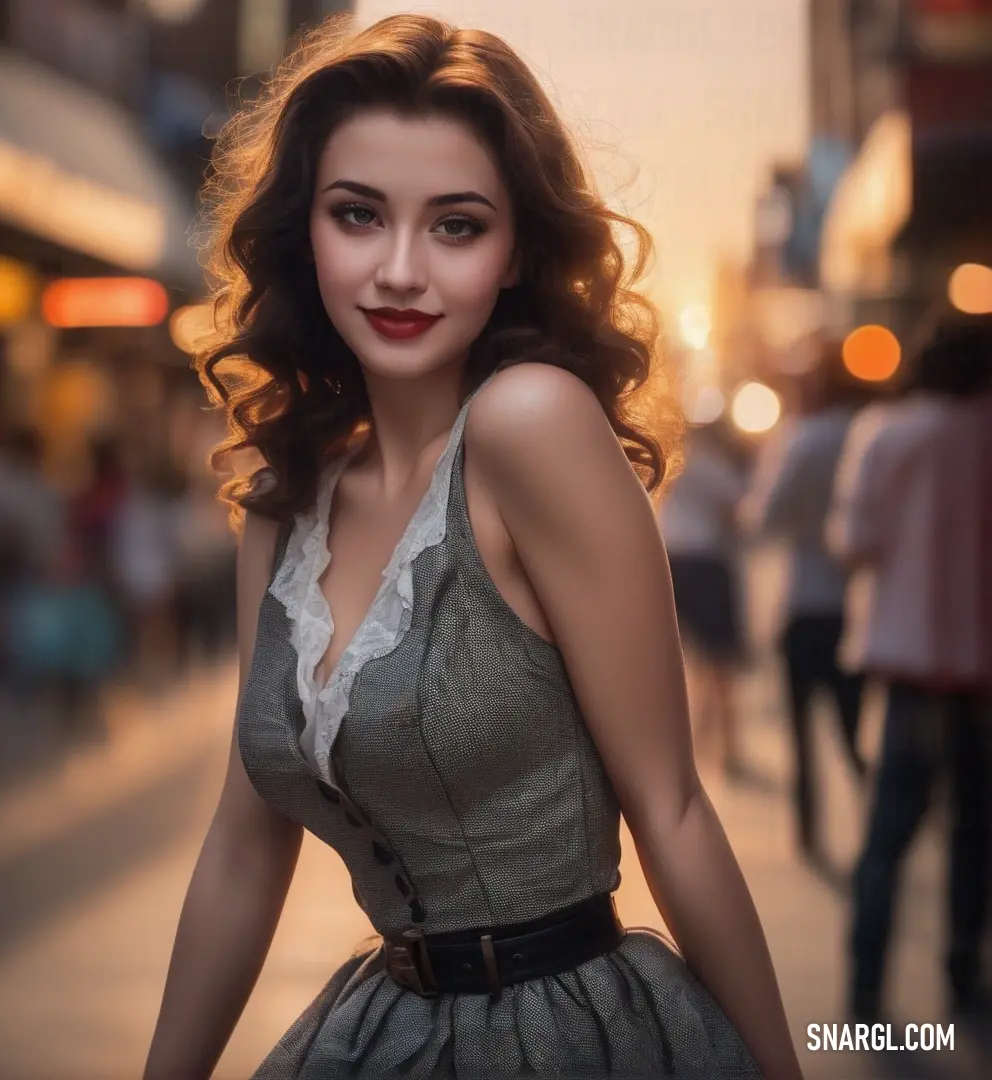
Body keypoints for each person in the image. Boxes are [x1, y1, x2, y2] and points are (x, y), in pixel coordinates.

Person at [143, 14, 802, 1080]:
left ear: (516, 254)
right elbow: (241, 842)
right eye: (358, 215)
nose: (400, 269)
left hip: (575, 1032)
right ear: (303, 232)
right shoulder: (284, 501)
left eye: (456, 226)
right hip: (381, 1033)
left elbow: (671, 807)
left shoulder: (528, 425)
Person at [826, 312, 992, 1022]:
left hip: (908, 662)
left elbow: (853, 541)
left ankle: (865, 992)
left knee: (887, 836)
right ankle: (962, 974)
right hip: (984, 670)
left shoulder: (887, 433)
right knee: (976, 836)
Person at [740, 340, 869, 862]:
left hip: (804, 601)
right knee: (855, 728)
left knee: (803, 733)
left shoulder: (799, 438)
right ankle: (875, 819)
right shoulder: (865, 430)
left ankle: (809, 832)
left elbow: (765, 517)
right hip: (855, 604)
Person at [659, 419, 748, 776]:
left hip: (671, 560)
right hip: (708, 562)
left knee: (685, 660)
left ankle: (693, 745)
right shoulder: (715, 465)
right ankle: (726, 748)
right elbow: (736, 513)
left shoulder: (671, 458)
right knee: (720, 659)